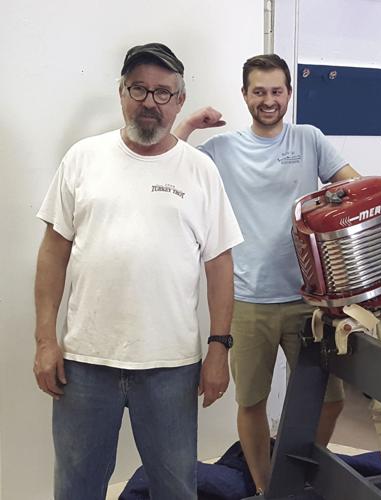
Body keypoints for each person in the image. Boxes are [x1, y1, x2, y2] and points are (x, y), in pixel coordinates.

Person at [33, 43, 243, 499]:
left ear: (180, 100)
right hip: (85, 364)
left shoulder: (200, 171)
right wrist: (47, 340)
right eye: (139, 89)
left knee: (175, 487)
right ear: (121, 93)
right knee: (76, 487)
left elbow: (220, 263)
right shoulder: (83, 159)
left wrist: (219, 347)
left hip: (171, 366)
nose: (150, 101)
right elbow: (53, 252)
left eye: (163, 92)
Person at [174, 53, 359, 494]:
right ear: (245, 95)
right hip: (247, 302)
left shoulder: (309, 139)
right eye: (259, 92)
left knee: (330, 401)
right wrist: (189, 125)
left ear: (289, 94)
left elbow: (354, 188)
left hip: (307, 301)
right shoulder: (222, 149)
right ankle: (266, 488)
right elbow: (171, 165)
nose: (269, 100)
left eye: (277, 91)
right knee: (251, 402)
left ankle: (299, 475)